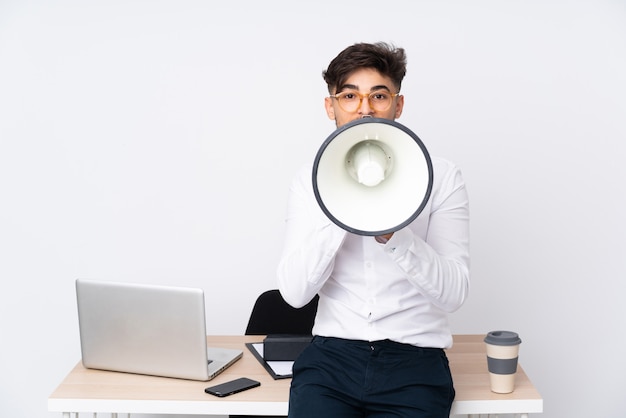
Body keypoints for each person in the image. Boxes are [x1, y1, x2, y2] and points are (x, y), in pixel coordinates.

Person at [277, 42, 470, 418]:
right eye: (349, 95)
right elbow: (295, 293)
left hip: (416, 361)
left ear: (398, 105)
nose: (365, 108)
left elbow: (454, 294)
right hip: (331, 359)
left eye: (378, 95)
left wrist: (396, 235)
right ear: (330, 106)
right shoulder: (308, 181)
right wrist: (340, 212)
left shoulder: (443, 177)